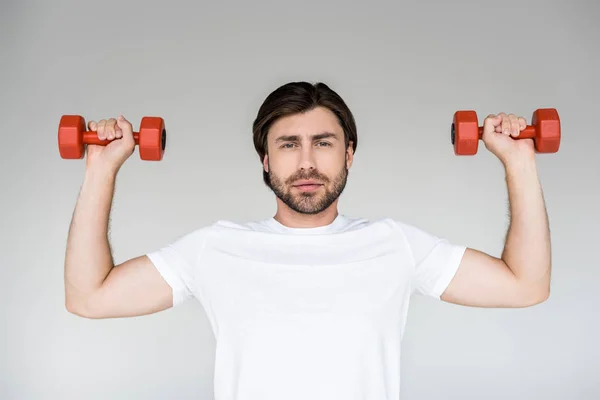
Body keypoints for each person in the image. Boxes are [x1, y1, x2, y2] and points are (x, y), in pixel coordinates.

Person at [64, 81, 551, 399]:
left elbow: (524, 286)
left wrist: (518, 161)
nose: (307, 164)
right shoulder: (215, 248)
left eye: (323, 143)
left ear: (349, 155)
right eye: (288, 144)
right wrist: (101, 168)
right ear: (265, 160)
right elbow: (90, 297)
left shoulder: (396, 244)